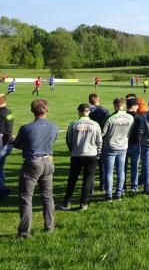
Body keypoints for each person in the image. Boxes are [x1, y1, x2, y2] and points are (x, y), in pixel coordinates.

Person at [13, 99, 58, 238]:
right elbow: (52, 141)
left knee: (26, 198)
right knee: (47, 196)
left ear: (32, 110)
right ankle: (49, 227)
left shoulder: (26, 128)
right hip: (48, 161)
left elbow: (17, 144)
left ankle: (25, 232)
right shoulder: (54, 126)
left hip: (33, 162)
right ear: (47, 109)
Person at [58, 103, 102, 211]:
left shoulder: (74, 124)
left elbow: (69, 140)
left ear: (79, 111)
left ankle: (67, 202)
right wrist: (98, 153)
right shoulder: (95, 124)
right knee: (87, 180)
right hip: (91, 155)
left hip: (77, 155)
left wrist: (73, 150)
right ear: (89, 112)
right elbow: (99, 141)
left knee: (72, 179)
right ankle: (83, 203)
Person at [101, 98, 134, 201]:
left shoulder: (110, 118)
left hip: (110, 147)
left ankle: (109, 195)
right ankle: (119, 193)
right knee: (121, 171)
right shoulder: (130, 117)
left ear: (115, 105)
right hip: (123, 146)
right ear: (123, 105)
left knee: (109, 172)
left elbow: (102, 133)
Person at [89, 94, 109, 191]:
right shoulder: (104, 111)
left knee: (90, 166)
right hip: (102, 138)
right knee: (102, 164)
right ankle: (103, 185)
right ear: (98, 100)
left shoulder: (87, 111)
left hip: (90, 140)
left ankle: (90, 187)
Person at [124, 97, 142, 193]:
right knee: (135, 166)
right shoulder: (139, 117)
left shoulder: (123, 116)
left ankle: (122, 186)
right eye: (137, 105)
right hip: (135, 144)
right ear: (134, 106)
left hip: (123, 144)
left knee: (123, 167)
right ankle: (134, 186)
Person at [0, 94, 15, 199]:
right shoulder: (9, 112)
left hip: (3, 144)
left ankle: (2, 190)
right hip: (9, 143)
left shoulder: (1, 114)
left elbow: (4, 132)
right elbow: (9, 129)